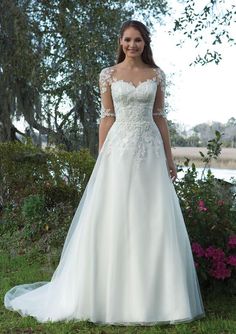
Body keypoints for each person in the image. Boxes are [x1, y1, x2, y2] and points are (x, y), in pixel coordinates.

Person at [4, 20, 205, 326]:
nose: (132, 45)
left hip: (149, 149)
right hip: (119, 149)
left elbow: (160, 117)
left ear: (145, 43)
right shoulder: (108, 74)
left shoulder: (156, 75)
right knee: (114, 214)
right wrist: (102, 156)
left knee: (151, 216)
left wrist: (169, 157)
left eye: (138, 40)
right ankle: (106, 294)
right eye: (127, 39)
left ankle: (160, 299)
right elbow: (106, 117)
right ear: (121, 42)